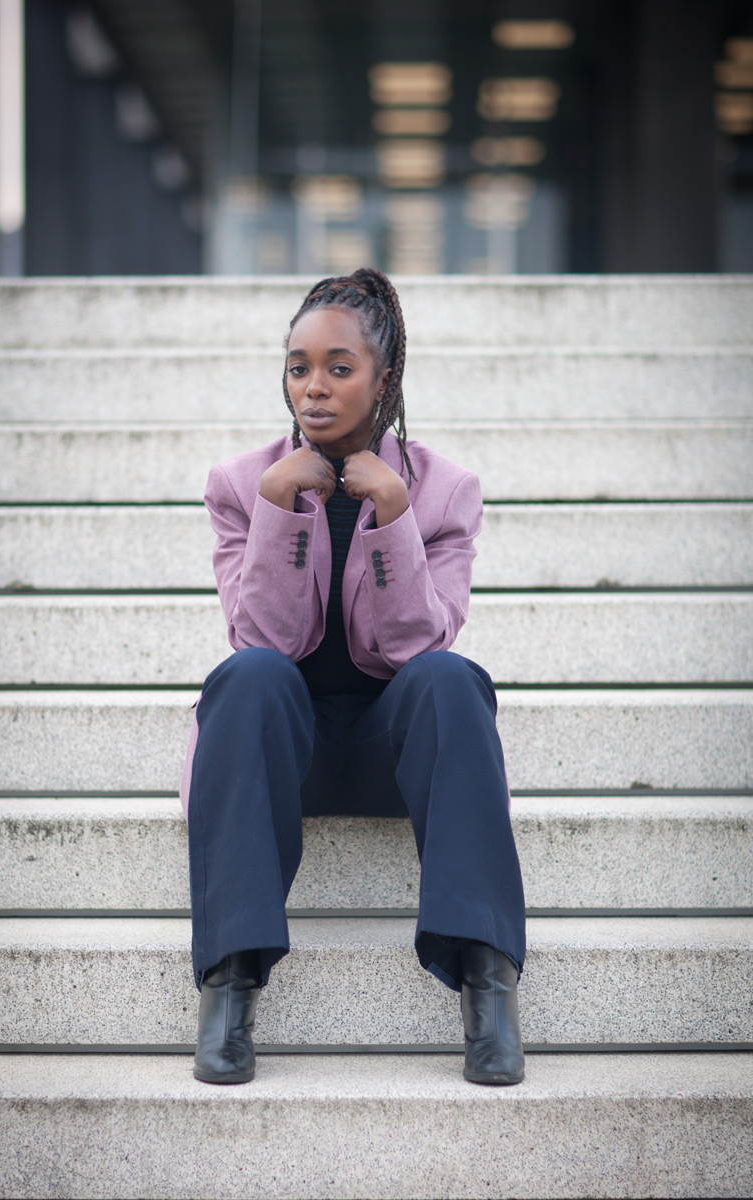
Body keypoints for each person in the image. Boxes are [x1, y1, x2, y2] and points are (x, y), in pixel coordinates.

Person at [180, 268, 526, 1087]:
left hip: (393, 753)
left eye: (340, 367)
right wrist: (276, 510)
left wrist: (397, 516)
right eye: (299, 366)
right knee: (251, 676)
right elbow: (262, 634)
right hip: (281, 753)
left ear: (384, 379)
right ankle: (230, 984)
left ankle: (489, 984)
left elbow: (412, 646)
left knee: (451, 678)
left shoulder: (442, 493)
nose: (315, 387)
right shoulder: (241, 486)